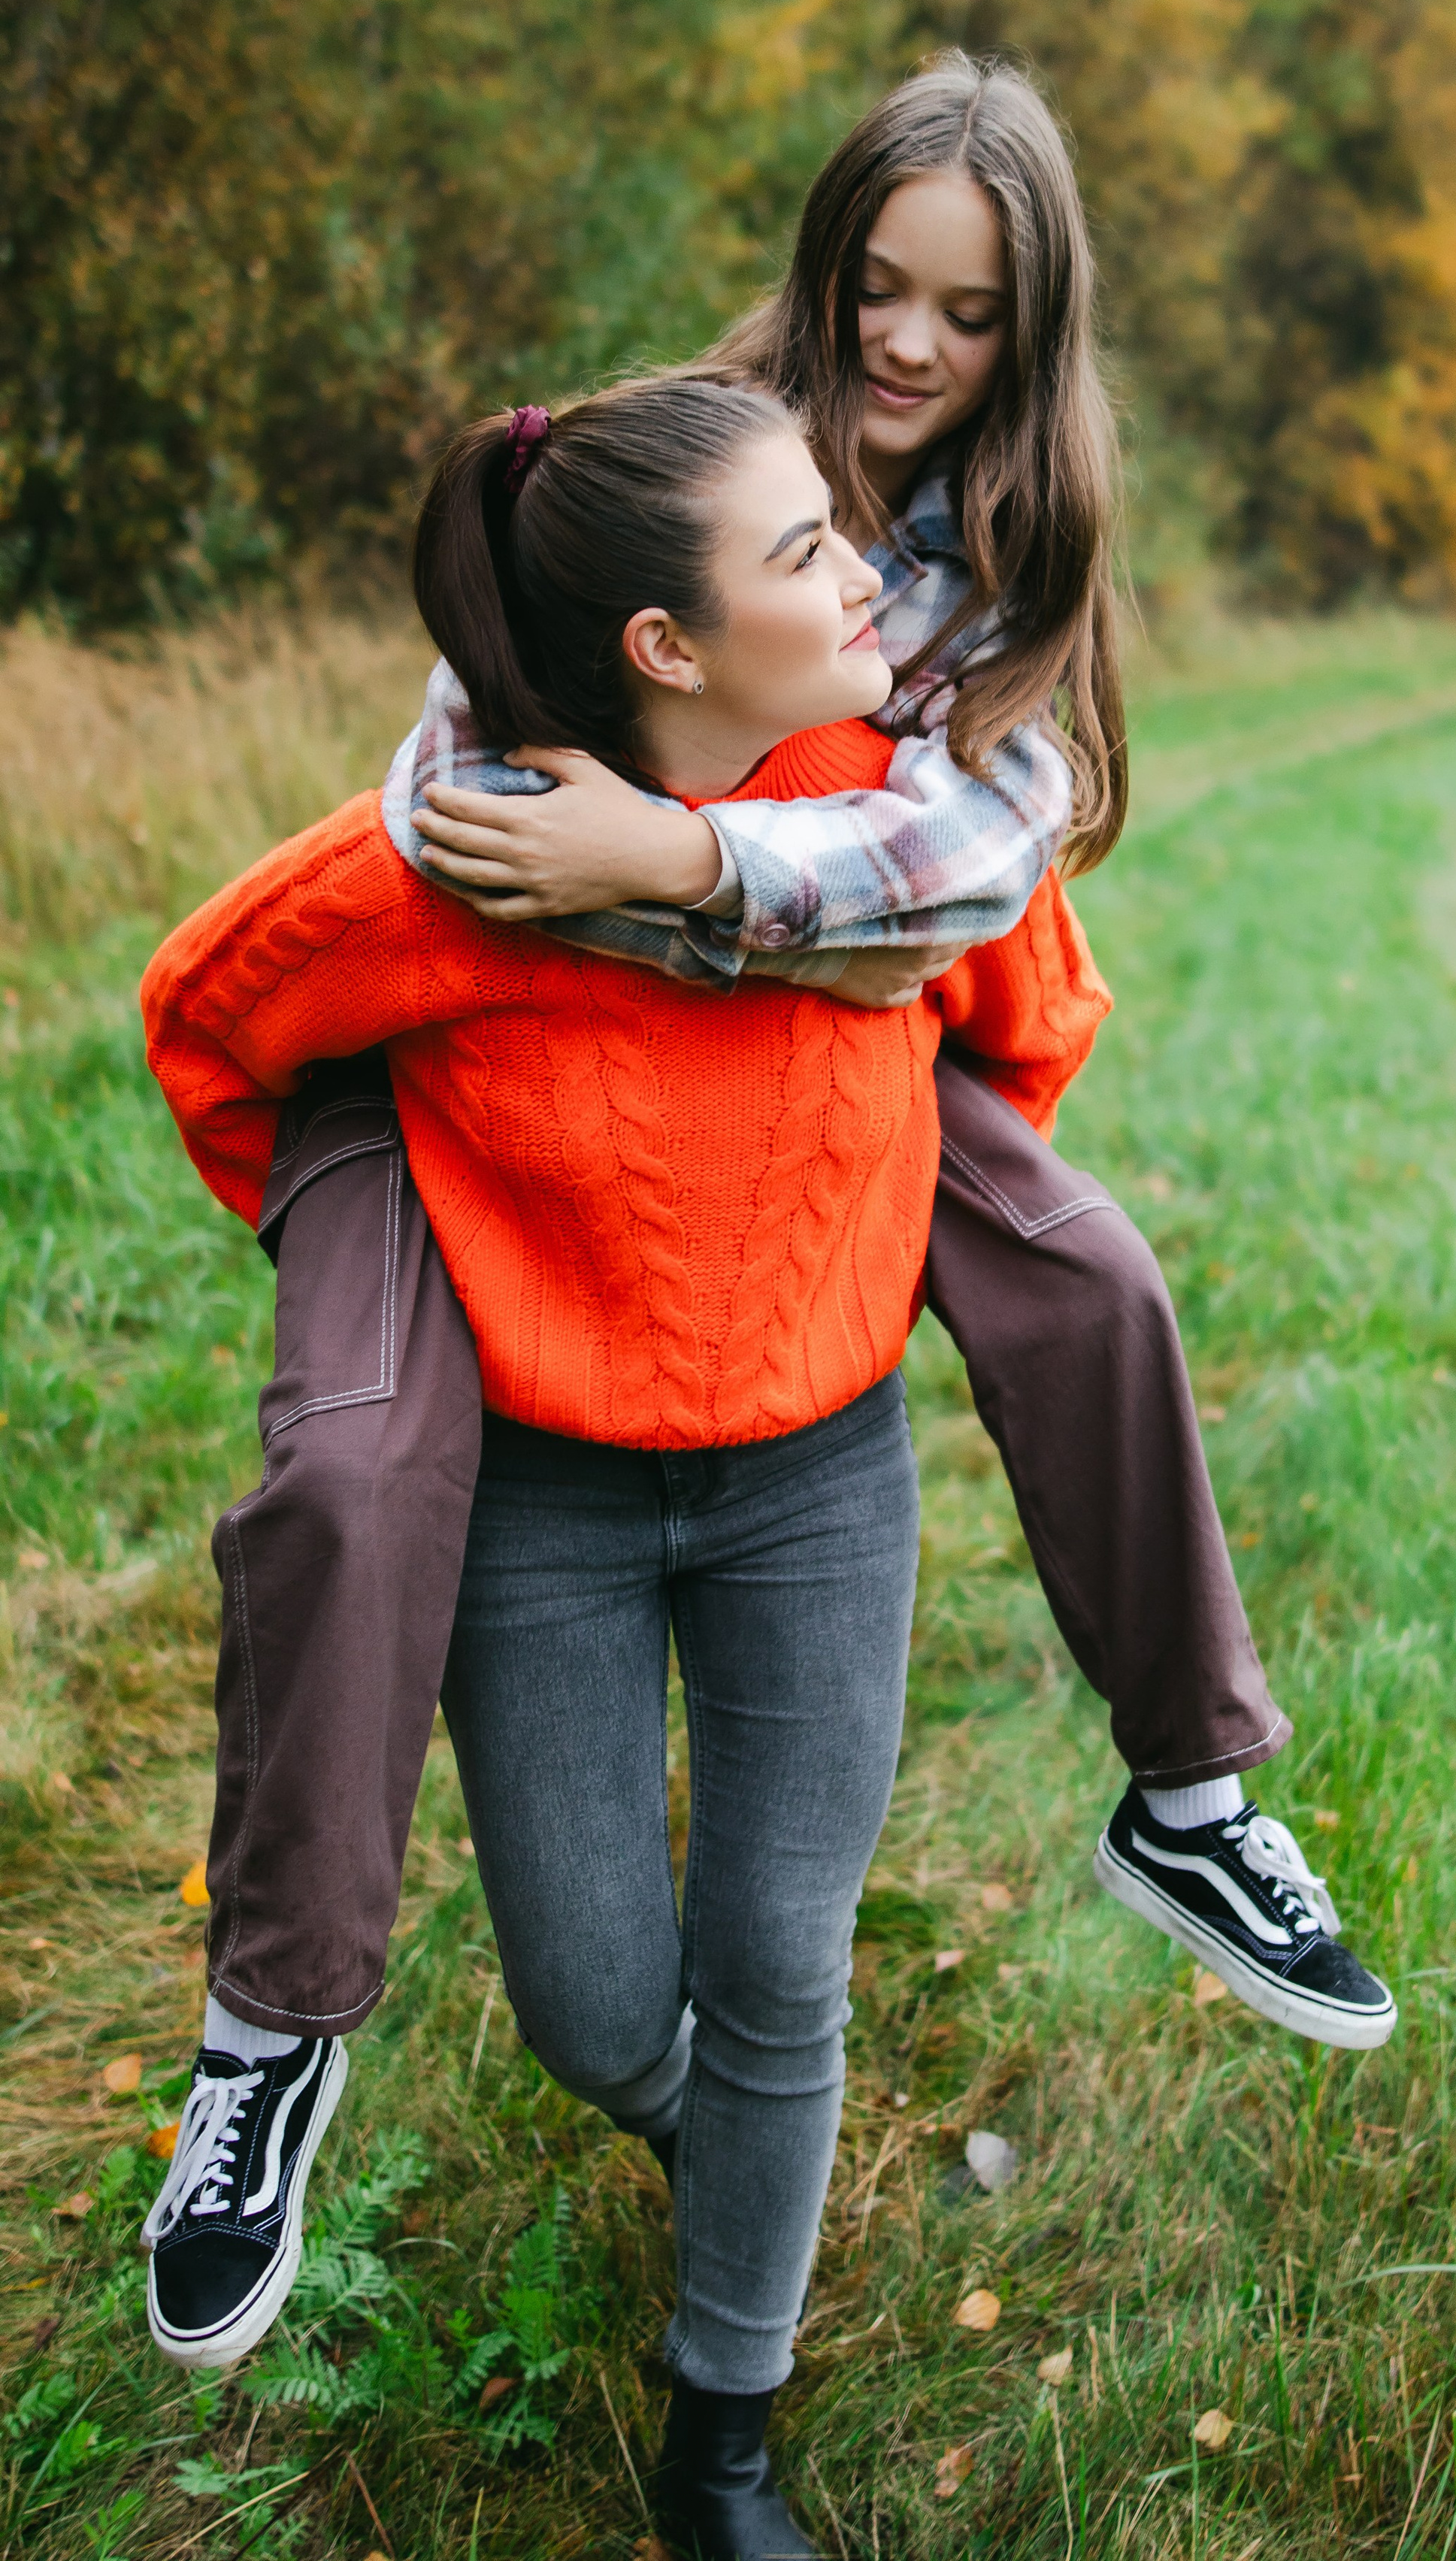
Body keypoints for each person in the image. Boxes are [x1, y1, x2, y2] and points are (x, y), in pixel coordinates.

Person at [138, 54, 1394, 2379]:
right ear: (823, 270)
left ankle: (1191, 1792)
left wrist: (698, 863)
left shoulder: (1010, 570)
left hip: (861, 1044)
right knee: (349, 1458)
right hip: (546, 1049)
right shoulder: (683, 460)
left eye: (971, 315)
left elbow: (972, 877)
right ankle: (276, 2030)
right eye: (878, 290)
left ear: (1039, 335)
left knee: (1084, 1268)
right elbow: (473, 785)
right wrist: (653, 867)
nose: (909, 351)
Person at [144, 377, 1110, 2553]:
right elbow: (208, 1025)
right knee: (597, 2011)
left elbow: (1031, 1008)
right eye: (803, 553)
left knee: (782, 1959)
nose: (870, 570)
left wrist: (890, 1202)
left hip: (818, 1481)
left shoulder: (896, 822)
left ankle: (723, 2436)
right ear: (666, 647)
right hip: (547, 1505)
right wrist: (372, 1236)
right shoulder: (470, 853)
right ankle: (740, 2137)